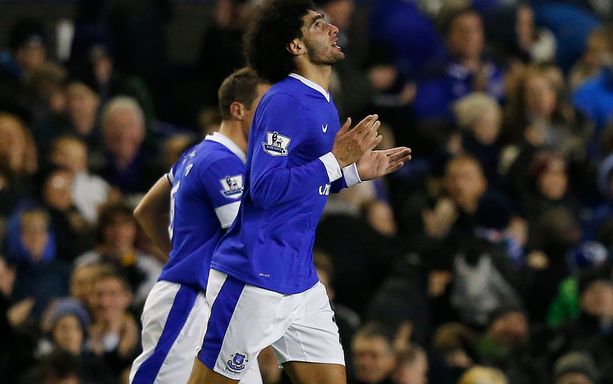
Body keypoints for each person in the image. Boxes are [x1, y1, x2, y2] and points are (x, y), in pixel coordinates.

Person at [188, 0, 411, 383]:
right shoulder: (283, 101)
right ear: (295, 45)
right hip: (254, 276)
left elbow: (305, 182)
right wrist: (337, 159)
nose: (333, 28)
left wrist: (354, 172)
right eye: (318, 24)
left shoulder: (321, 102)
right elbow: (265, 188)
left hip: (301, 281)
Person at [128, 67, 270, 383]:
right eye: (266, 107)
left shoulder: (196, 155)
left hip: (220, 309)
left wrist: (179, 255)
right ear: (238, 109)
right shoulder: (222, 162)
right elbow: (246, 239)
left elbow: (146, 210)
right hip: (191, 305)